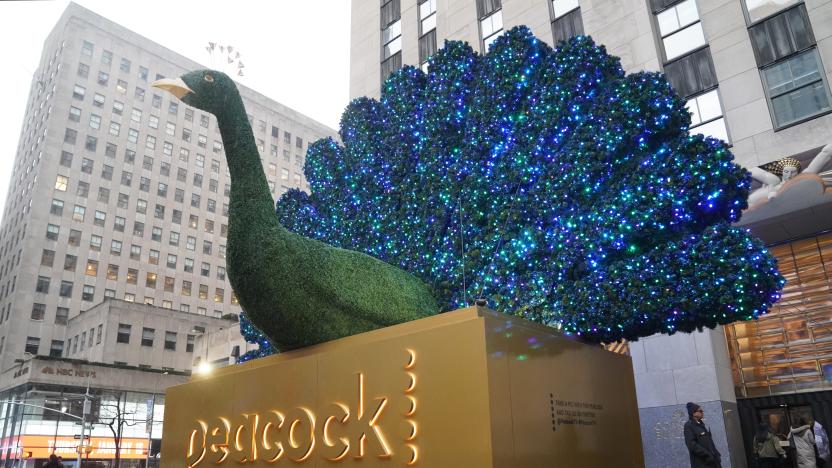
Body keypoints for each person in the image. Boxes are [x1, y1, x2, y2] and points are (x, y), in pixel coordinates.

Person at [684, 402, 722, 467]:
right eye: (700, 411)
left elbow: (709, 442)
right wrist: (707, 454)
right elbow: (692, 445)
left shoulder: (701, 424)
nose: (702, 412)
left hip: (713, 462)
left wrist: (717, 454)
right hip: (703, 463)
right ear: (694, 413)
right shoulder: (689, 426)